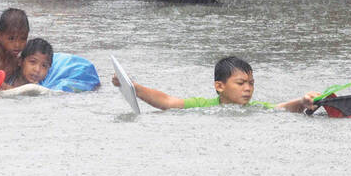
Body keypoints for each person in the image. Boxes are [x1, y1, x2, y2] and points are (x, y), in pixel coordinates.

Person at [113, 56, 320, 112]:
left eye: (251, 83)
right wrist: (134, 87)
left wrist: (303, 101)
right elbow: (167, 102)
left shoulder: (256, 109)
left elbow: (281, 108)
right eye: (240, 83)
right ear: (219, 86)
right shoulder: (204, 105)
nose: (248, 88)